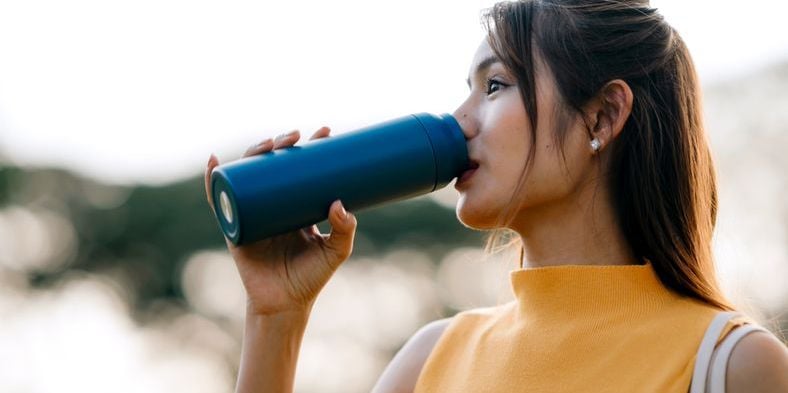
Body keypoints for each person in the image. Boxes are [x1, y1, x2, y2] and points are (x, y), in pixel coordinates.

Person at [204, 0, 788, 392]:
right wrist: (275, 319)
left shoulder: (735, 366)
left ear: (604, 115)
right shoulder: (430, 360)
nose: (460, 121)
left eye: (495, 85)